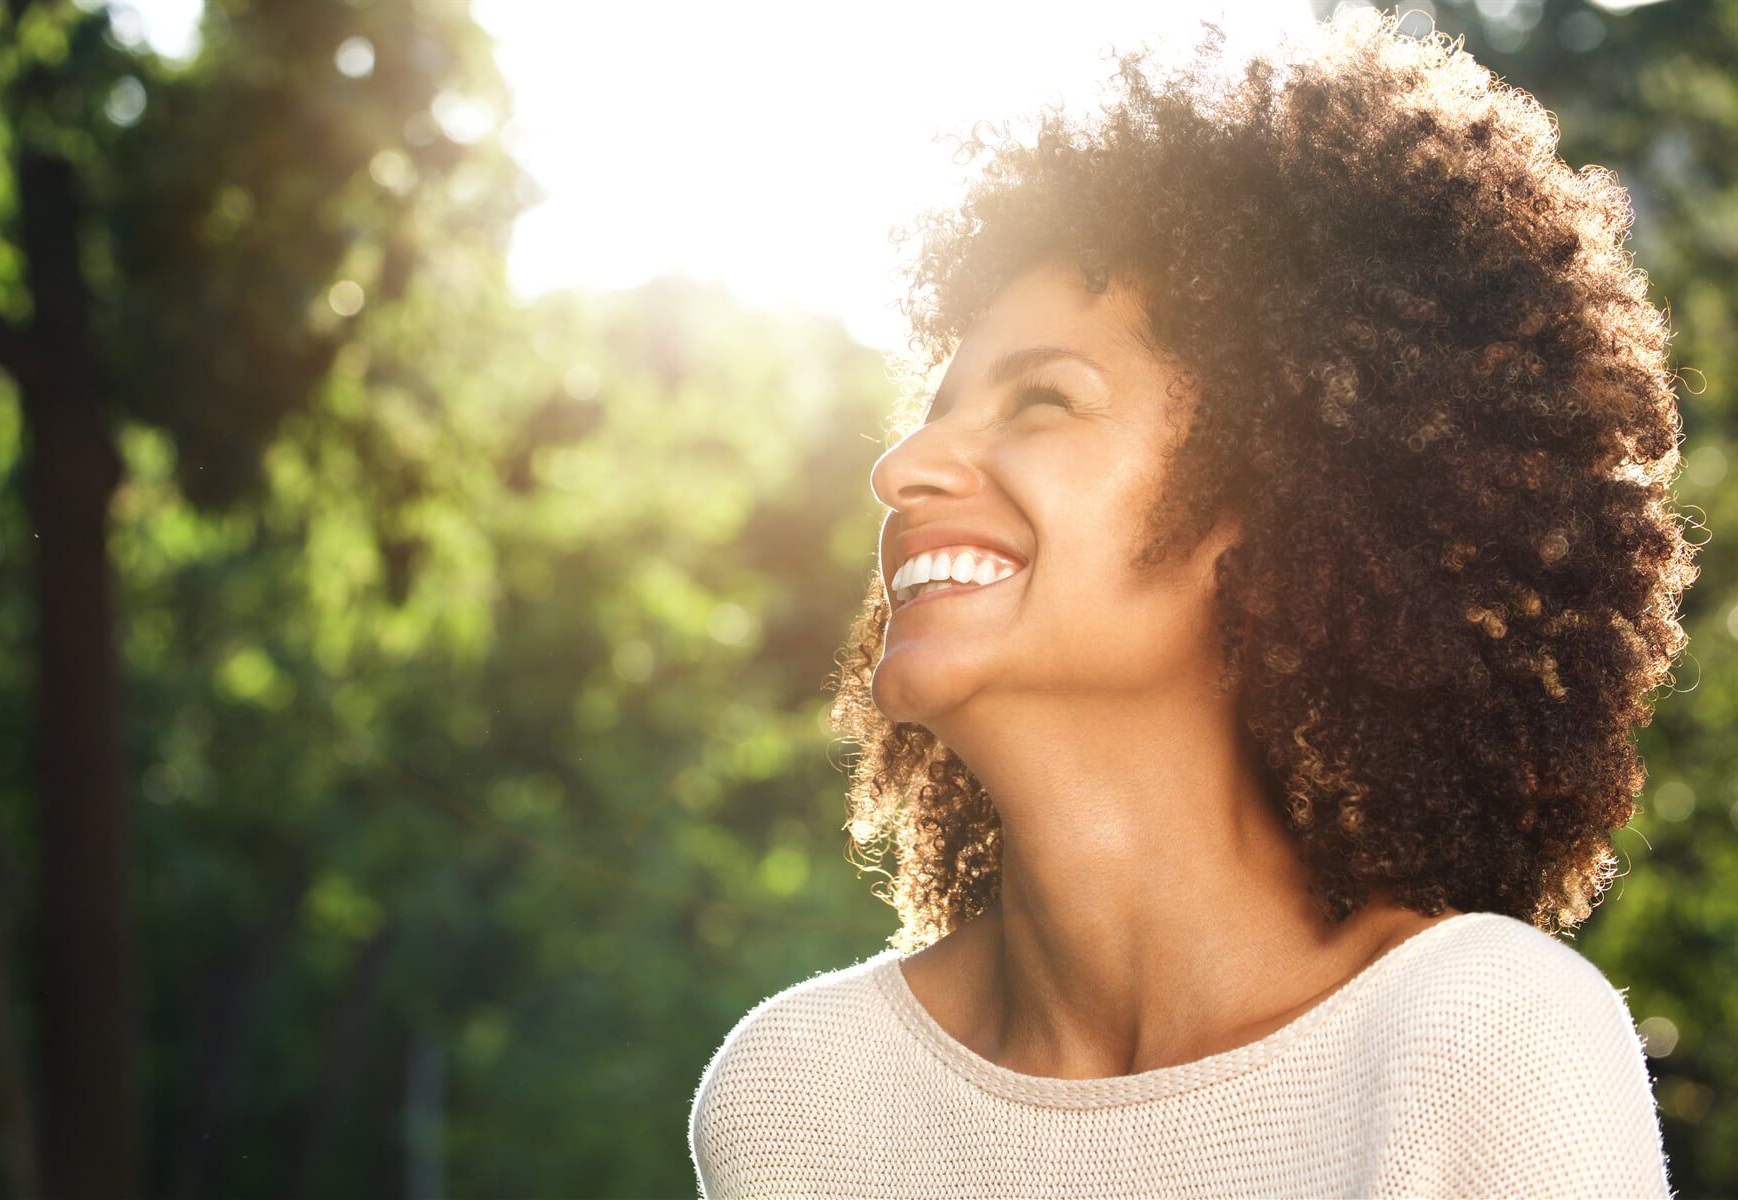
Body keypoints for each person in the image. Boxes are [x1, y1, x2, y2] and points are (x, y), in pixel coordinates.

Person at [691, 9, 1693, 1198]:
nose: (901, 468)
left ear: (1277, 499)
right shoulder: (801, 1095)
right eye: (933, 409)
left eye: (1044, 402)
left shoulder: (1479, 1041)